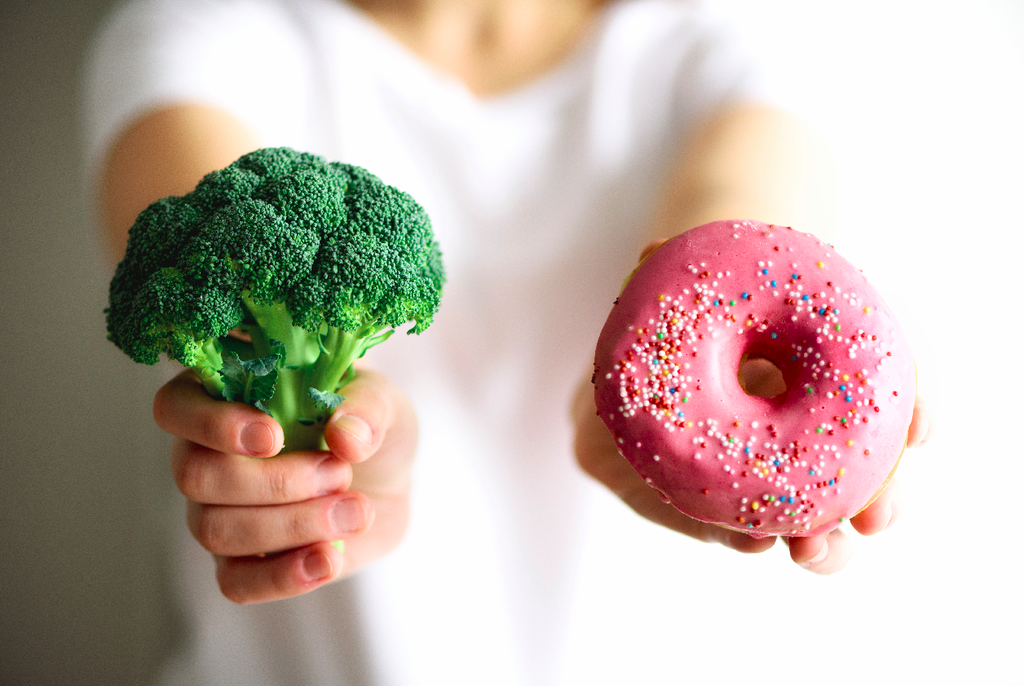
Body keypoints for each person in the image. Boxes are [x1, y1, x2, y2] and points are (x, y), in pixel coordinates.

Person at [86, 0, 931, 682]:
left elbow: (742, 233)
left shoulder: (731, 34)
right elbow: (207, 246)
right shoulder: (199, 30)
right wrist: (345, 448)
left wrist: (631, 407)